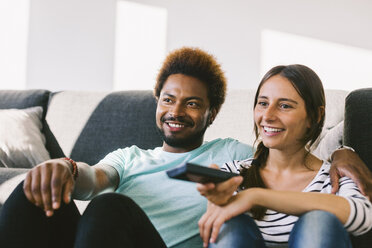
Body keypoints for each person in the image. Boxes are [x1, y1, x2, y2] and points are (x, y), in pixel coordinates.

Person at [0, 48, 369, 248]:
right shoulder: (130, 157)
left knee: (110, 208)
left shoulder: (228, 157)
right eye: (168, 99)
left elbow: (288, 154)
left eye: (192, 104)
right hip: (101, 234)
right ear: (157, 103)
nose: (176, 111)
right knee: (37, 190)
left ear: (212, 114)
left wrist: (343, 151)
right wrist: (64, 167)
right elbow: (94, 179)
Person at [197, 64, 372, 248]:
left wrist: (256, 197)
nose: (268, 115)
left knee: (318, 221)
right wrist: (216, 199)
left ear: (315, 115)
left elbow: (363, 216)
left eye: (284, 106)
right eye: (263, 103)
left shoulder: (336, 176)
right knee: (229, 225)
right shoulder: (233, 174)